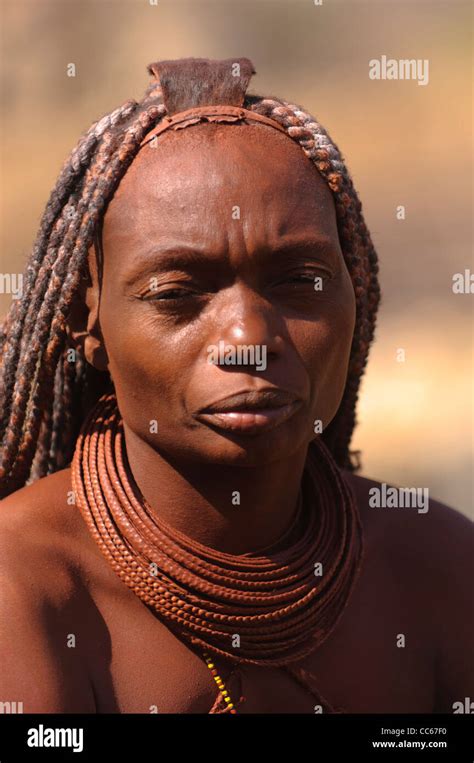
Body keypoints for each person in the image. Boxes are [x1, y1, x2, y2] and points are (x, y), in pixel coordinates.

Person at [0, 57, 472, 714]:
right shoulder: (22, 592)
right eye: (178, 294)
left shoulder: (442, 566)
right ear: (89, 322)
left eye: (297, 282)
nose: (248, 336)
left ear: (355, 291)